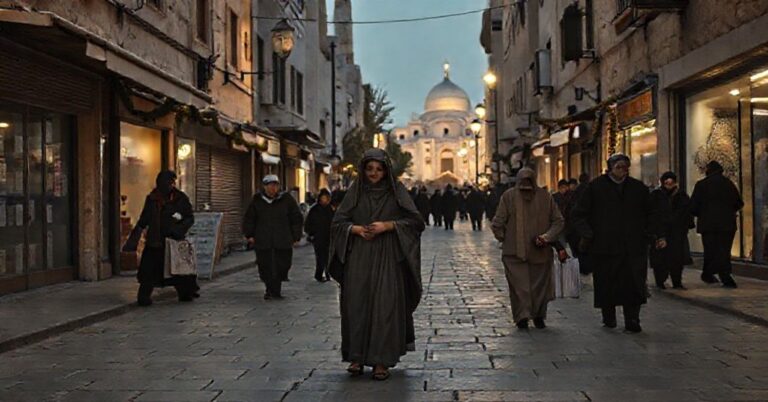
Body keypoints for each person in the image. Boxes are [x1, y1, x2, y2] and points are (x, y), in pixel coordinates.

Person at [329, 149, 425, 381]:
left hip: (388, 258)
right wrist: (357, 229)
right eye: (370, 168)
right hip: (359, 258)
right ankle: (357, 357)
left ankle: (382, 361)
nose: (374, 173)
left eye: (379, 169)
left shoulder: (396, 192)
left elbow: (416, 221)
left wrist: (389, 226)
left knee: (385, 307)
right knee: (356, 305)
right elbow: (338, 222)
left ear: (386, 170)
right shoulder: (356, 192)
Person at [571, 154, 664, 333]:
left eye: (625, 167)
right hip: (605, 246)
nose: (622, 171)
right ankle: (609, 316)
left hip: (633, 246)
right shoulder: (595, 187)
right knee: (607, 283)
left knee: (634, 283)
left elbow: (652, 212)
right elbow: (578, 214)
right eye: (618, 167)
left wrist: (651, 233)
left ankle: (632, 319)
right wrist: (588, 234)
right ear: (610, 168)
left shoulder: (638, 189)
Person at [492, 168, 564, 329]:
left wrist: (504, 238)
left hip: (518, 252)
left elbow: (497, 223)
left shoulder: (510, 196)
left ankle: (523, 316)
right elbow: (558, 222)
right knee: (536, 286)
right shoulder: (545, 197)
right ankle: (537, 316)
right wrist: (547, 237)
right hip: (534, 251)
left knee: (521, 288)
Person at [123, 171, 196, 306]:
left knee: (178, 269)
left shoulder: (180, 198)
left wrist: (178, 230)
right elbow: (144, 219)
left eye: (170, 182)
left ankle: (186, 293)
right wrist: (135, 236)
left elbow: (189, 217)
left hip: (174, 240)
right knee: (149, 272)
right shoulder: (152, 199)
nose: (168, 185)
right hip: (155, 241)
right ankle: (144, 297)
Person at [242, 175, 303, 300]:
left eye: (275, 185)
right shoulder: (257, 201)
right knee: (265, 265)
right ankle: (270, 290)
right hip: (263, 240)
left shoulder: (287, 200)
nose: (273, 188)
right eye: (270, 185)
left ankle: (277, 287)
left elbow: (296, 218)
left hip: (283, 239)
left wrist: (296, 235)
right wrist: (249, 235)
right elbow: (249, 219)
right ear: (264, 187)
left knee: (283, 264)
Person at [690, 160, 744, 288]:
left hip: (708, 225)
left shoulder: (701, 185)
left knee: (710, 249)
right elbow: (739, 203)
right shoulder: (728, 184)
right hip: (727, 224)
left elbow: (693, 207)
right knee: (724, 250)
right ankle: (724, 275)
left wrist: (702, 214)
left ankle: (709, 273)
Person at [650, 172, 694, 290]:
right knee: (660, 259)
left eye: (671, 183)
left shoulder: (681, 196)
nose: (669, 185)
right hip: (661, 233)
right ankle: (660, 280)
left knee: (677, 259)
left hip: (677, 233)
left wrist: (685, 225)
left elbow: (687, 213)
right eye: (666, 183)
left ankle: (677, 281)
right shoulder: (656, 195)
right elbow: (652, 214)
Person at [305, 189, 334, 282]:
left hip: (329, 236)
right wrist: (310, 234)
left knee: (328, 256)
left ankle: (328, 273)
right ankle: (319, 274)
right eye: (323, 198)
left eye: (327, 198)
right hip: (318, 237)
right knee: (320, 256)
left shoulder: (330, 209)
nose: (325, 200)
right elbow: (308, 223)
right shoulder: (314, 209)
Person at [569, 173, 592, 275]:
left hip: (576, 227)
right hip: (588, 226)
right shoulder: (590, 190)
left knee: (579, 251)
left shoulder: (575, 192)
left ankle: (582, 269)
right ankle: (586, 269)